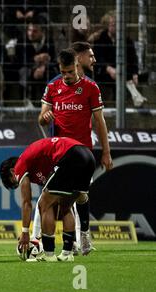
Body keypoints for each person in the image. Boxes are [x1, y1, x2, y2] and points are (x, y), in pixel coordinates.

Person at [35, 48, 113, 255]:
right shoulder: (52, 87)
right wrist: (45, 117)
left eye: (70, 72)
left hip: (83, 151)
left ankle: (83, 236)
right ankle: (46, 242)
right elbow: (41, 117)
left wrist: (106, 152)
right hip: (60, 152)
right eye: (63, 72)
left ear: (77, 66)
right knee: (52, 197)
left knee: (79, 195)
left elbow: (100, 121)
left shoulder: (90, 88)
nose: (67, 76)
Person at [0, 137, 96, 262]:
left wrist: (25, 232)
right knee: (66, 205)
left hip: (71, 155)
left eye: (15, 180)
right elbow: (81, 198)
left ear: (13, 171)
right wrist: (84, 230)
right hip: (88, 157)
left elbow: (26, 203)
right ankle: (67, 254)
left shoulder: (20, 164)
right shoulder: (40, 165)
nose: (19, 182)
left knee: (44, 204)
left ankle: (49, 255)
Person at [94, 10, 146, 107]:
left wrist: (135, 73)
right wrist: (108, 68)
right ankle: (136, 95)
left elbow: (133, 58)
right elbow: (98, 58)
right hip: (105, 73)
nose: (115, 27)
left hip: (122, 72)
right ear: (108, 25)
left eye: (117, 24)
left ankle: (134, 97)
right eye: (113, 24)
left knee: (130, 76)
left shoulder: (127, 40)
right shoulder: (101, 39)